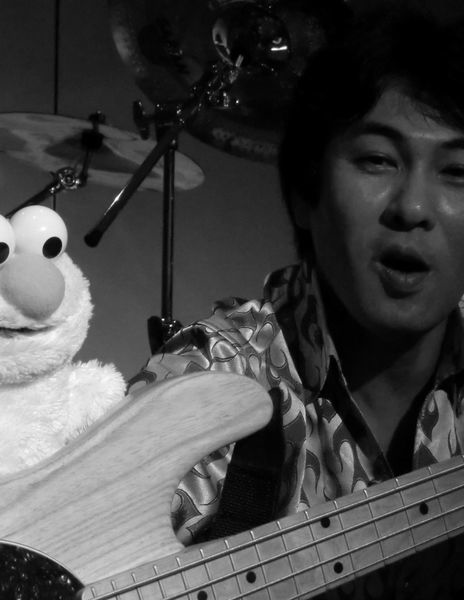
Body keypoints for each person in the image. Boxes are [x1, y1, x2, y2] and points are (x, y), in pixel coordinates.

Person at [128, 3, 464, 598]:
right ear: (307, 192)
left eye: (458, 171)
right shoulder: (213, 376)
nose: (413, 207)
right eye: (377, 160)